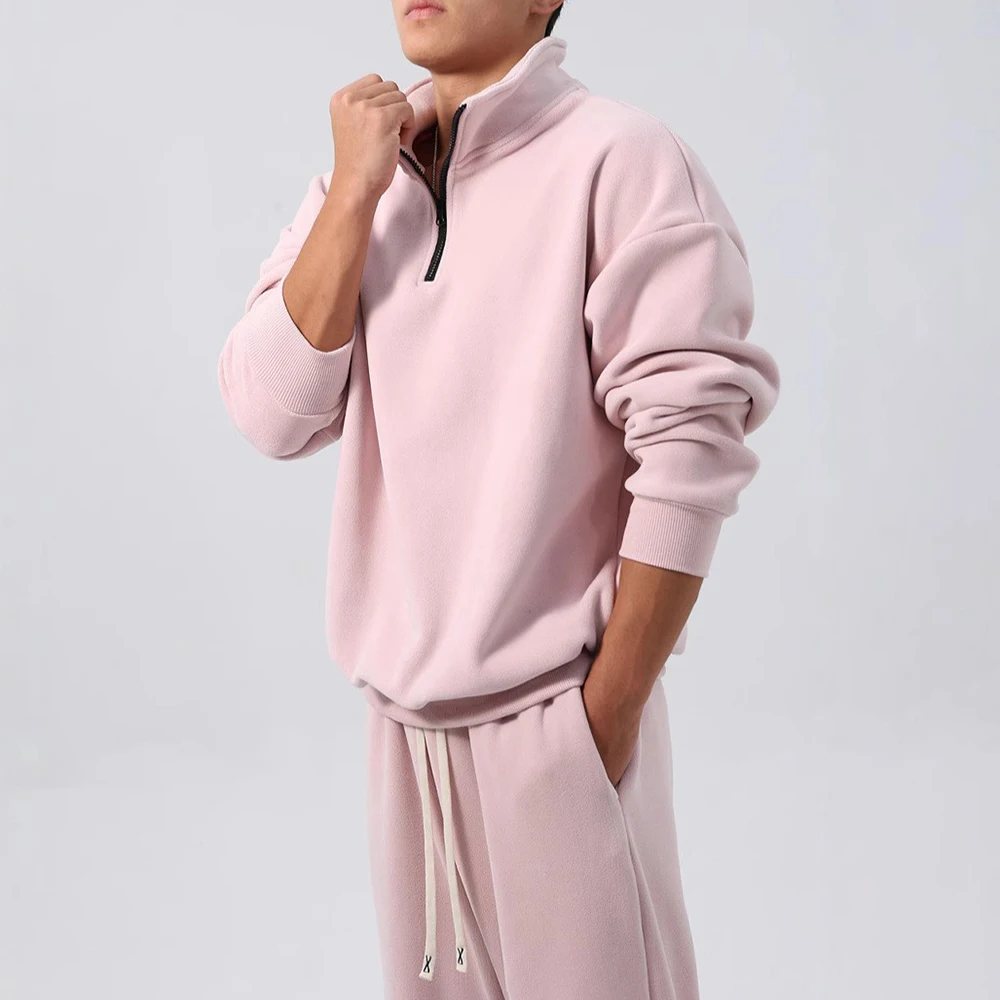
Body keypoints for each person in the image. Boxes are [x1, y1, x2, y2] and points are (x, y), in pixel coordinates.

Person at [218, 1, 780, 997]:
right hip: (404, 739)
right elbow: (272, 412)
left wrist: (604, 715)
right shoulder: (359, 184)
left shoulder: (621, 160)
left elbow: (690, 443)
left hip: (557, 727)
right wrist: (353, 193)